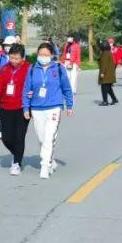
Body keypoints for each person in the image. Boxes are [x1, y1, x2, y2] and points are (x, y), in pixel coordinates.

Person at [23, 42, 74, 179]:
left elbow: (66, 88)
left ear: (52, 55)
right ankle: (50, 159)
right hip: (36, 108)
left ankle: (45, 165)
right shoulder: (32, 68)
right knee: (42, 139)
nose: (43, 56)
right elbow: (27, 89)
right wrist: (26, 107)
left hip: (54, 107)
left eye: (46, 54)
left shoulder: (59, 68)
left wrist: (69, 105)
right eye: (41, 54)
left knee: (49, 137)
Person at [0, 44, 29, 175]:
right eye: (11, 58)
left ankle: (16, 162)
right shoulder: (5, 68)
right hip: (5, 107)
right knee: (6, 138)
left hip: (22, 108)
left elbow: (34, 85)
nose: (14, 61)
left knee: (19, 136)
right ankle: (18, 153)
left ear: (23, 58)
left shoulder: (29, 69)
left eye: (17, 58)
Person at [97, 41, 119, 106]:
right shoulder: (108, 52)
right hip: (109, 73)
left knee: (104, 87)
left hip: (106, 73)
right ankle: (114, 99)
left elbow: (104, 64)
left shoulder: (105, 53)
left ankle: (105, 101)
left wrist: (102, 73)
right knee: (108, 88)